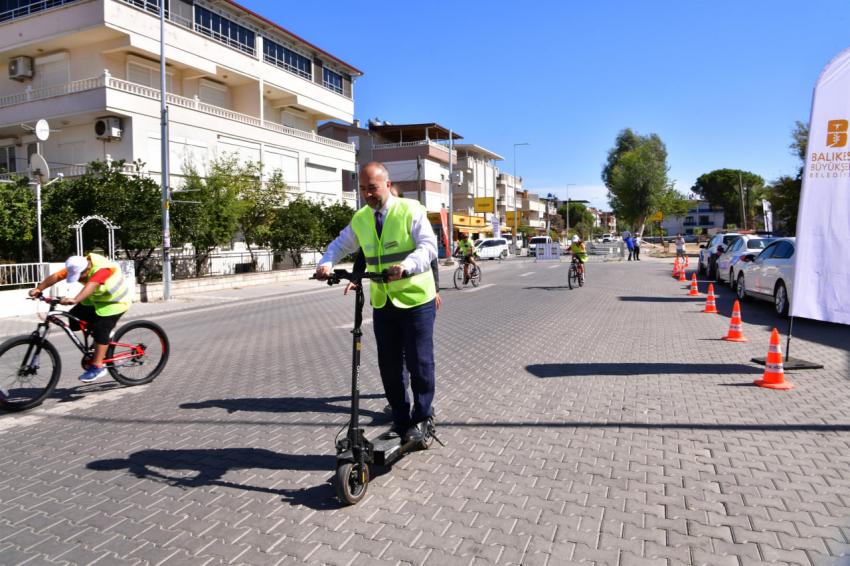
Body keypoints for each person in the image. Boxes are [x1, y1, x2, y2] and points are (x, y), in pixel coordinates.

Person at [315, 162, 438, 445]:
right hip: (383, 302)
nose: (368, 194)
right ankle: (400, 418)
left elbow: (428, 247)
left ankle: (423, 418)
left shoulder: (411, 209)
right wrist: (326, 262)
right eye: (363, 189)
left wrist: (406, 265)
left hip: (416, 299)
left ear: (386, 183)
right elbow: (340, 244)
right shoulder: (361, 217)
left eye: (372, 187)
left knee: (420, 363)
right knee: (390, 366)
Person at [28, 254, 132, 382]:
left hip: (115, 302)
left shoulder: (102, 270)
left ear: (87, 269)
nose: (78, 279)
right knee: (74, 319)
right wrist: (39, 288)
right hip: (96, 300)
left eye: (79, 276)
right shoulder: (78, 265)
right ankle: (100, 341)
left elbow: (91, 285)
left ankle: (98, 366)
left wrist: (75, 299)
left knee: (101, 328)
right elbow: (56, 276)